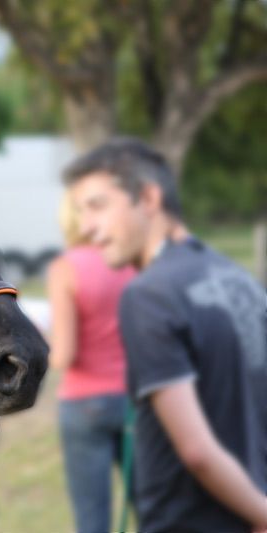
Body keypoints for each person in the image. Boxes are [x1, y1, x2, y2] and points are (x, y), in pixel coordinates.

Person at [63, 137, 267, 532]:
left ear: (149, 198)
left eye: (97, 206)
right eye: (80, 212)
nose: (86, 228)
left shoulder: (148, 295)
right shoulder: (239, 278)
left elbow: (196, 452)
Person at [47, 196, 135, 533]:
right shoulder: (130, 263)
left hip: (84, 403)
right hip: (135, 400)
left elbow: (65, 355)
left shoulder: (65, 268)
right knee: (153, 509)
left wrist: (45, 343)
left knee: (92, 517)